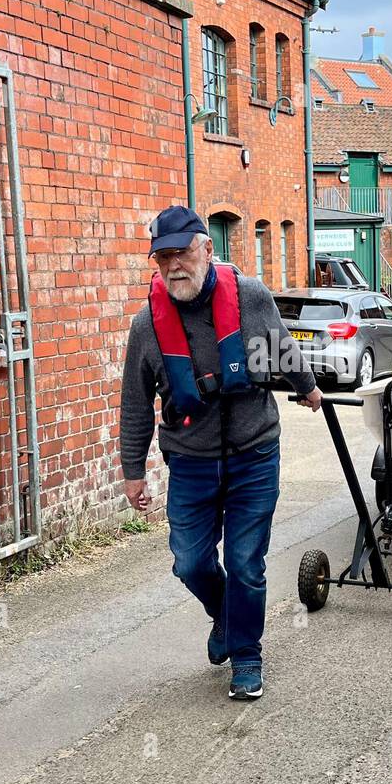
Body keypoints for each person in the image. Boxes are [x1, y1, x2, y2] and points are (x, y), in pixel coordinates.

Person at [121, 205, 323, 700]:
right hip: (190, 459)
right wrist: (133, 470)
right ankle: (226, 617)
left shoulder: (250, 296)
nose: (174, 266)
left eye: (182, 252)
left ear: (207, 248)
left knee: (245, 562)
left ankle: (247, 656)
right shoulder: (148, 323)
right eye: (162, 257)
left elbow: (282, 346)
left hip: (254, 452)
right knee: (189, 562)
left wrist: (308, 387)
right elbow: (134, 400)